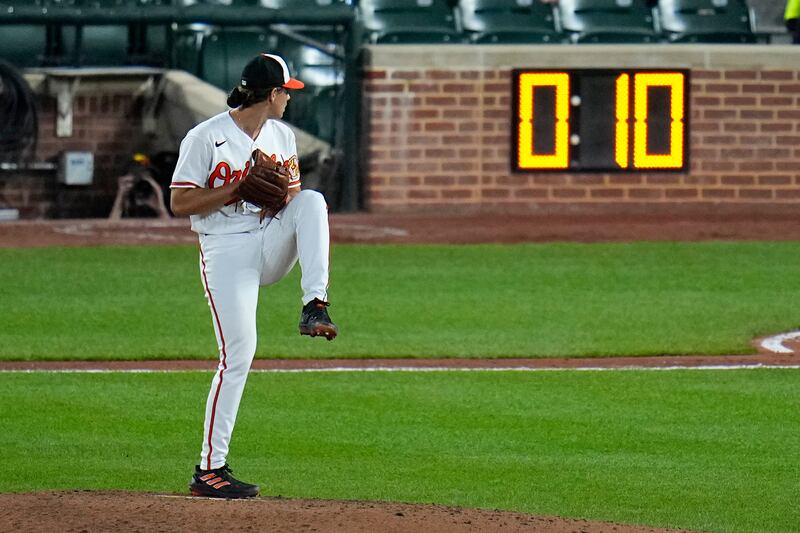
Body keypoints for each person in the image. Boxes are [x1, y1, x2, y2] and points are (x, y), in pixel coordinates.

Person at [170, 53, 338, 499]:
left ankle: (314, 303)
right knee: (239, 353)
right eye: (287, 91)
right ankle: (209, 469)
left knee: (314, 202)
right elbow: (180, 203)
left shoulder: (283, 136)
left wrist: (273, 197)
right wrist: (235, 188)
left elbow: (294, 200)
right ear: (270, 94)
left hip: (267, 237)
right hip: (225, 250)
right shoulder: (205, 137)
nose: (290, 98)